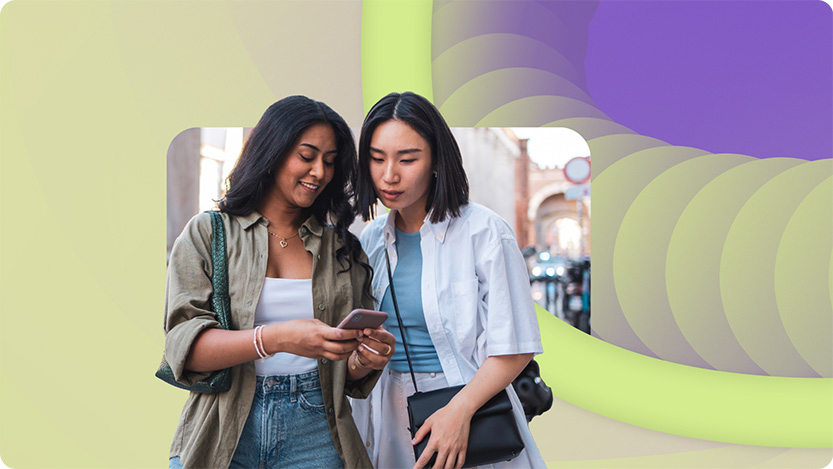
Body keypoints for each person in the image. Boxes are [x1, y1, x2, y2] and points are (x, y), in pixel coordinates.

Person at [163, 96, 396, 469]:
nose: (319, 172)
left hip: (317, 431)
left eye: (331, 162)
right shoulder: (208, 233)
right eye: (307, 156)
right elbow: (184, 348)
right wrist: (277, 338)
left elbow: (348, 375)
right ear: (272, 152)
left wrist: (367, 359)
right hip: (222, 427)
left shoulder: (342, 250)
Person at [350, 92, 546, 469]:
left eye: (407, 159)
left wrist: (459, 412)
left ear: (436, 160)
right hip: (389, 412)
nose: (389, 174)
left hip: (471, 407)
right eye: (377, 159)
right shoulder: (369, 240)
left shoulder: (484, 232)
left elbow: (516, 345)